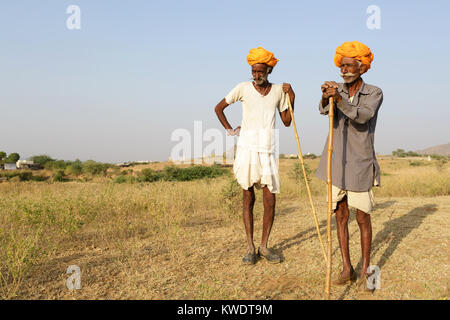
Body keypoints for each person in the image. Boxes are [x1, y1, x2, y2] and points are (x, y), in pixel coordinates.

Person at [214, 47, 295, 265]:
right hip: (247, 150)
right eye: (253, 71)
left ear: (269, 70)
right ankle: (250, 248)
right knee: (248, 197)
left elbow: (287, 121)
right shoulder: (242, 88)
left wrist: (292, 95)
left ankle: (264, 246)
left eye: (260, 71)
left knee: (270, 200)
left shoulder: (279, 90)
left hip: (268, 151)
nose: (256, 75)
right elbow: (218, 108)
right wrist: (231, 131)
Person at [315, 41, 383, 290]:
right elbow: (322, 110)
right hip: (335, 162)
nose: (343, 69)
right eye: (341, 65)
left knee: (363, 218)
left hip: (360, 162)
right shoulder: (337, 90)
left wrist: (339, 100)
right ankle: (347, 268)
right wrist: (326, 96)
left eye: (348, 65)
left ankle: (367, 270)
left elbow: (363, 116)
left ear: (362, 68)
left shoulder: (374, 92)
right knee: (340, 214)